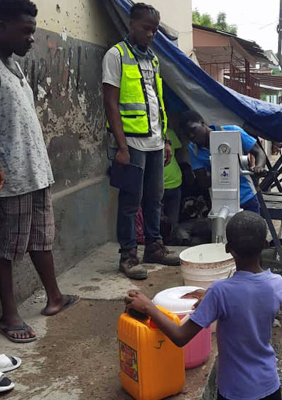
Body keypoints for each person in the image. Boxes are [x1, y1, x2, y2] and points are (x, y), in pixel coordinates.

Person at [125, 211, 282, 400]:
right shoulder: (277, 283)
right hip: (270, 387)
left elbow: (180, 337)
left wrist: (148, 307)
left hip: (236, 392)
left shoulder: (221, 292)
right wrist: (212, 299)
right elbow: (248, 300)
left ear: (228, 249)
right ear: (265, 245)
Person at [0, 0, 79, 344]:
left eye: (34, 31)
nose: (32, 38)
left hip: (35, 172)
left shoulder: (14, 67)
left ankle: (55, 297)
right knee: (6, 247)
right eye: (26, 31)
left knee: (41, 238)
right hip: (10, 179)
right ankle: (9, 314)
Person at [102, 3, 180, 281]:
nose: (151, 35)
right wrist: (121, 147)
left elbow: (157, 102)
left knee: (154, 199)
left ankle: (154, 247)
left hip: (156, 142)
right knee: (129, 202)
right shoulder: (116, 56)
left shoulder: (153, 59)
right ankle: (128, 255)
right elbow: (111, 104)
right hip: (132, 145)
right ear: (131, 24)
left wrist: (166, 140)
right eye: (146, 28)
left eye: (155, 30)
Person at [179, 110, 267, 214]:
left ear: (202, 123)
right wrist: (226, 171)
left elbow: (258, 152)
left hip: (246, 196)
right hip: (220, 201)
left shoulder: (233, 132)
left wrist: (259, 166)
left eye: (193, 130)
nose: (192, 136)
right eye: (187, 134)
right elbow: (202, 181)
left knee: (252, 228)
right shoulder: (193, 149)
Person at [162, 111, 183, 238]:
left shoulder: (167, 134)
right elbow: (179, 153)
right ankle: (170, 242)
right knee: (172, 220)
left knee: (157, 219)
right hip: (173, 181)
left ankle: (163, 242)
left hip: (170, 183)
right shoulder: (170, 133)